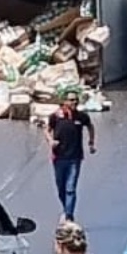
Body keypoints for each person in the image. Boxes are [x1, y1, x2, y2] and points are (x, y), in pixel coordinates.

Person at [46, 91, 95, 222]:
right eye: (71, 100)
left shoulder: (81, 117)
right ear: (65, 102)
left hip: (75, 158)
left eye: (76, 100)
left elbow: (90, 127)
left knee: (70, 188)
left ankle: (69, 216)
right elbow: (47, 130)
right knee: (61, 188)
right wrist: (50, 141)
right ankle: (67, 209)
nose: (74, 102)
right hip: (59, 158)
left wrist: (91, 142)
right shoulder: (56, 117)